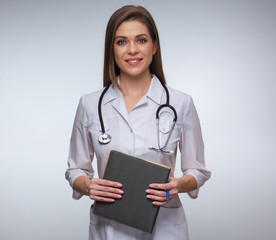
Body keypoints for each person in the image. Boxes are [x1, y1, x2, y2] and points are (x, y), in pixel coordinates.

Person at [65, 5, 211, 240]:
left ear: (154, 46)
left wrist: (179, 184)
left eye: (141, 40)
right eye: (121, 42)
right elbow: (76, 169)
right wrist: (87, 186)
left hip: (165, 227)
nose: (132, 50)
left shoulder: (181, 103)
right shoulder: (90, 104)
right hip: (109, 228)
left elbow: (198, 170)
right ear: (111, 50)